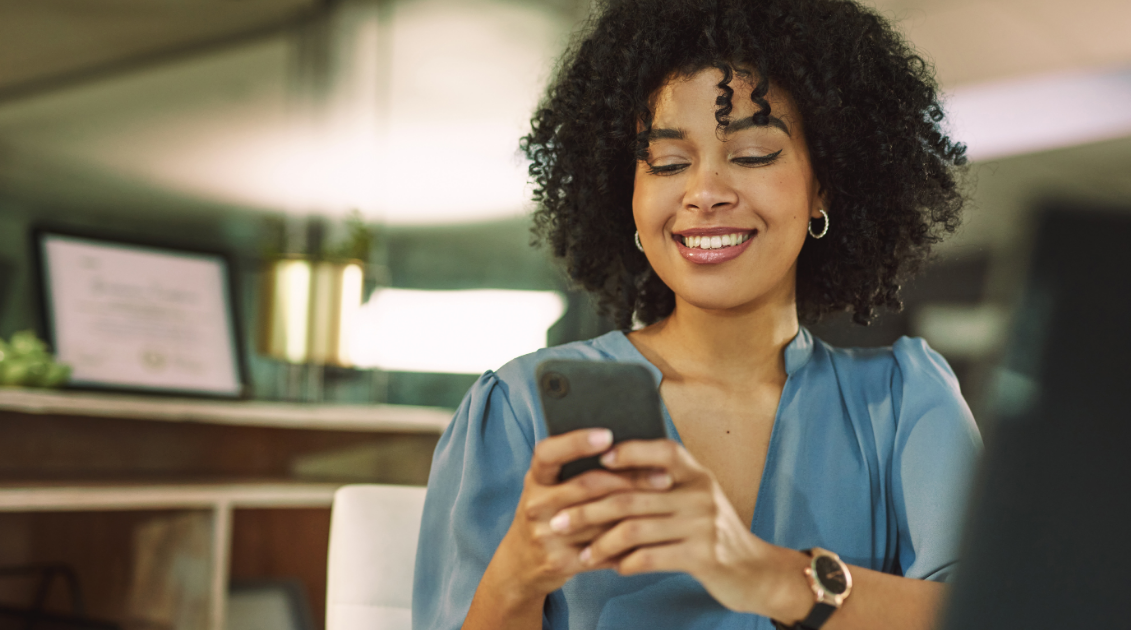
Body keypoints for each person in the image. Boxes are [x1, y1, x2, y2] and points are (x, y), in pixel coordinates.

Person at [413, 0, 981, 628]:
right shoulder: (520, 408)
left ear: (824, 183)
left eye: (753, 155)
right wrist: (518, 576)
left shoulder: (903, 402)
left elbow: (1001, 610)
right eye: (668, 164)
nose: (704, 193)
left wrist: (755, 570)